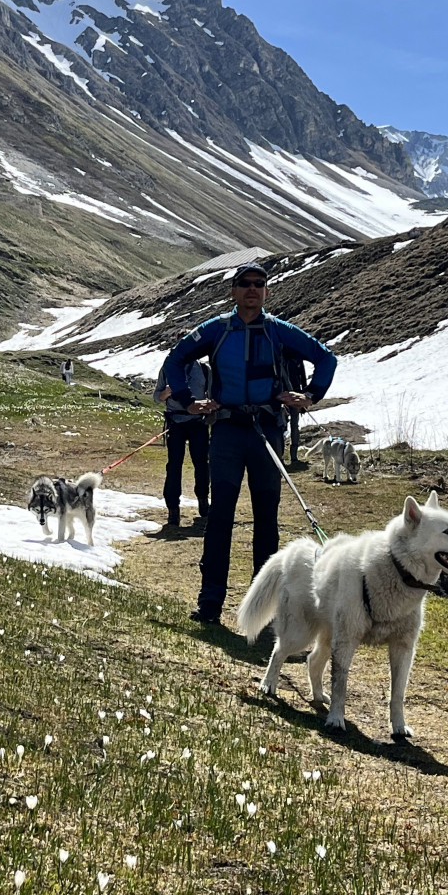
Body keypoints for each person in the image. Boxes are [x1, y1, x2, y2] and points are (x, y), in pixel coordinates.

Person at [161, 263, 336, 624]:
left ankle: (266, 610)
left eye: (259, 284)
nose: (252, 289)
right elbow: (176, 359)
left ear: (266, 292)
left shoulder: (279, 331)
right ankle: (210, 604)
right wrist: (185, 399)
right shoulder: (216, 330)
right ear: (234, 291)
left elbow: (325, 359)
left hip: (267, 430)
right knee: (220, 518)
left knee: (266, 522)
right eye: (245, 284)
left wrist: (311, 396)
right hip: (226, 431)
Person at [153, 357, 211, 527]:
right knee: (174, 466)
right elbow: (157, 396)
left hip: (198, 422)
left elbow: (212, 393)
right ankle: (173, 509)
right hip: (175, 423)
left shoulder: (204, 369)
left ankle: (203, 500)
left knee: (201, 463)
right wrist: (165, 393)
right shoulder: (167, 369)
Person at [282, 349, 308, 466]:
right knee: (284, 425)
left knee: (292, 425)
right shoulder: (281, 357)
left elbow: (303, 378)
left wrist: (304, 398)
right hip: (282, 397)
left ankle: (293, 457)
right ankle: (282, 455)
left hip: (294, 395)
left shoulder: (296, 358)